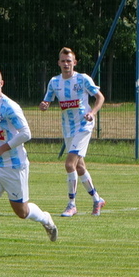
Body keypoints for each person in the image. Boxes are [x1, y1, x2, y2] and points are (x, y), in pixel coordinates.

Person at [0, 68, 59, 259]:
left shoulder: (9, 107)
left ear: (1, 83)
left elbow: (26, 133)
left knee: (22, 212)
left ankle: (45, 219)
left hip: (14, 165)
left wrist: (1, 148)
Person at [39, 47, 106, 216]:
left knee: (69, 164)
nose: (66, 64)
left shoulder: (82, 79)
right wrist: (44, 106)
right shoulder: (54, 82)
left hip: (83, 125)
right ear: (58, 63)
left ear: (74, 63)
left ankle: (72, 204)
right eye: (63, 61)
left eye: (69, 61)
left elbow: (100, 97)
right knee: (79, 166)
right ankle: (97, 199)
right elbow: (46, 101)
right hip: (68, 128)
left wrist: (92, 113)